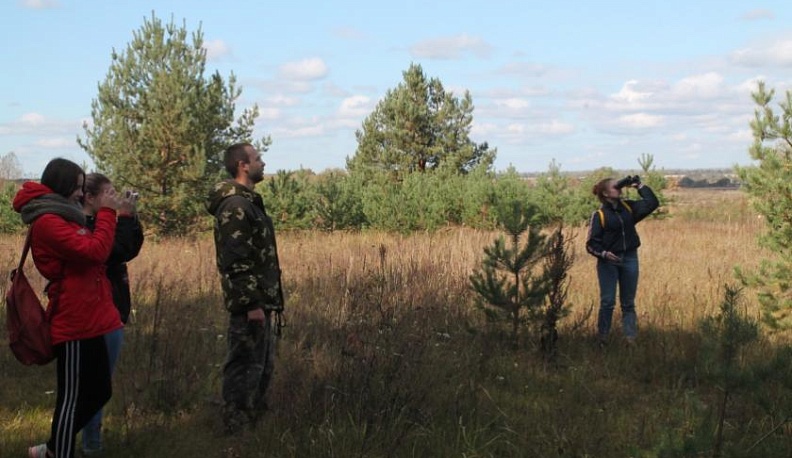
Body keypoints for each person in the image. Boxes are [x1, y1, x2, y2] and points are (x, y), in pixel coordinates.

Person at [12, 158, 123, 458]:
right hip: (73, 322)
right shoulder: (49, 221)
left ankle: (50, 448)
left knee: (101, 390)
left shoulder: (65, 215)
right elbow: (94, 252)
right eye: (77, 187)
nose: (80, 193)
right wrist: (108, 213)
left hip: (91, 318)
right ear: (63, 187)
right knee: (72, 400)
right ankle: (58, 452)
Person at [206, 143, 284, 434]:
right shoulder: (236, 207)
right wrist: (252, 304)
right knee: (243, 365)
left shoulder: (247, 203)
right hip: (249, 304)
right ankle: (236, 426)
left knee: (259, 366)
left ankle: (252, 421)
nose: (262, 163)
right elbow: (236, 259)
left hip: (260, 300)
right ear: (243, 165)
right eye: (258, 159)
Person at [80, 173, 144, 455]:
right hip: (97, 316)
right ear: (90, 198)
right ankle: (90, 445)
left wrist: (130, 218)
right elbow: (117, 251)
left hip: (111, 311)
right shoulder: (86, 227)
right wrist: (126, 218)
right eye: (109, 192)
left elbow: (131, 248)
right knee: (95, 384)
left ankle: (87, 442)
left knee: (96, 383)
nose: (114, 196)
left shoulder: (102, 223)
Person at [586, 176, 658, 347]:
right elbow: (590, 244)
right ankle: (603, 338)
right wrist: (603, 254)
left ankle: (630, 339)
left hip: (630, 258)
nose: (619, 188)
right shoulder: (599, 215)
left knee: (628, 302)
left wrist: (639, 186)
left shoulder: (628, 208)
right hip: (609, 263)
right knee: (608, 301)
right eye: (614, 186)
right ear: (605, 193)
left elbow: (652, 203)